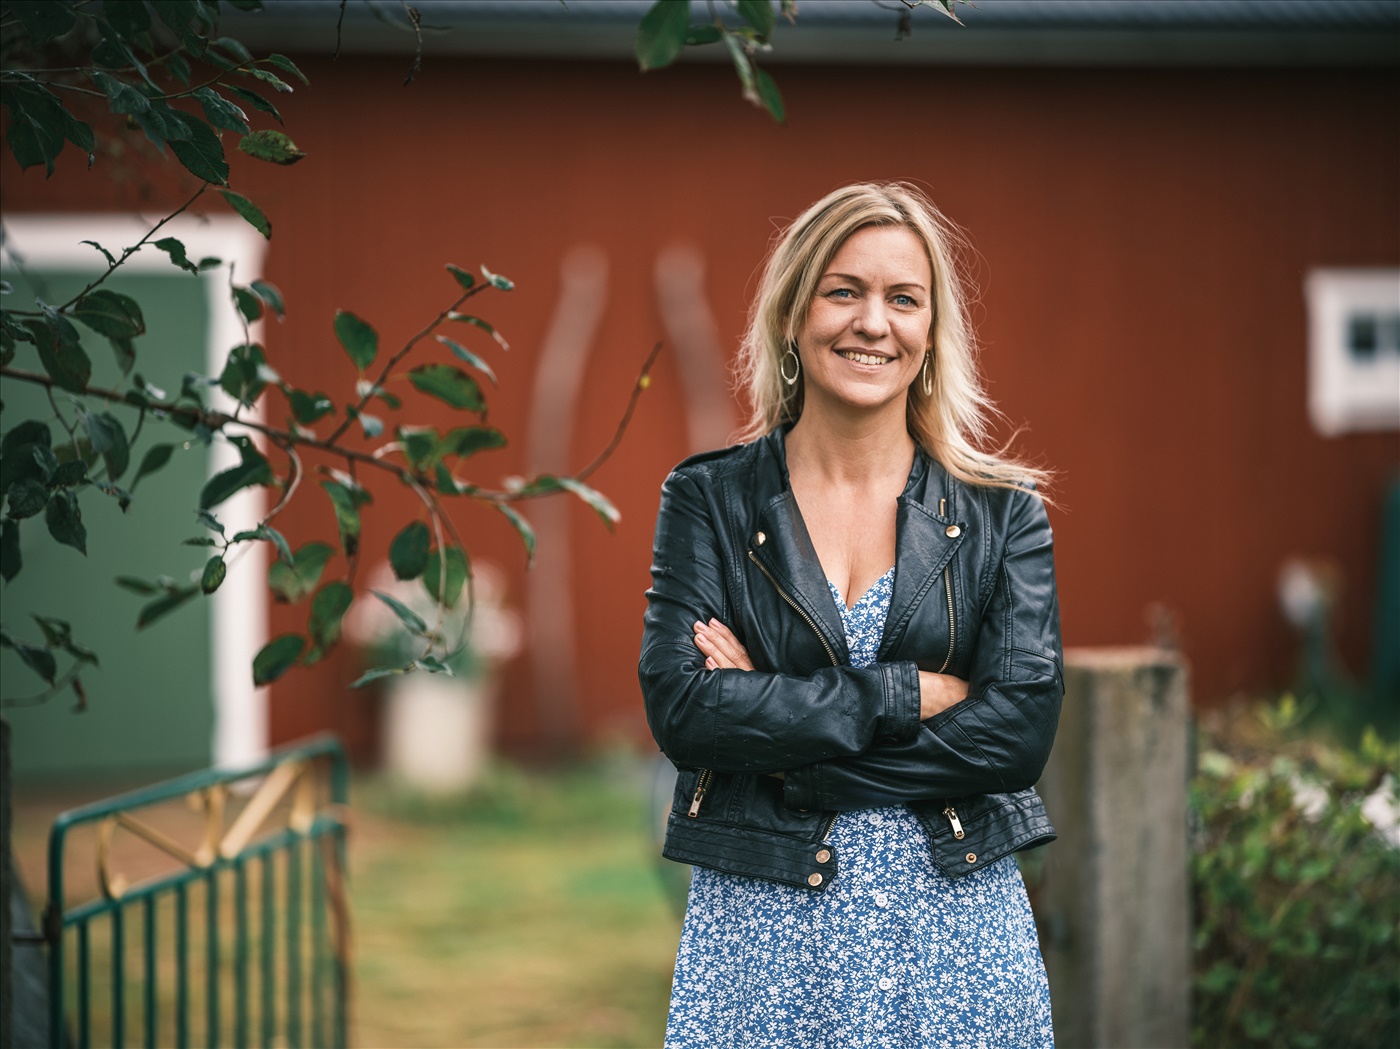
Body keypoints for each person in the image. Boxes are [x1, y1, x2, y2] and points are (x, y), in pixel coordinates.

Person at [638, 182, 1064, 1048]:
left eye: (903, 299)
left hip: (956, 941)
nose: (874, 322)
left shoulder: (1004, 514)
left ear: (931, 332)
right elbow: (685, 712)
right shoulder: (709, 499)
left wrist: (783, 743)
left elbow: (1016, 737)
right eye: (844, 291)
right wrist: (902, 694)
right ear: (793, 315)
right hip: (759, 943)